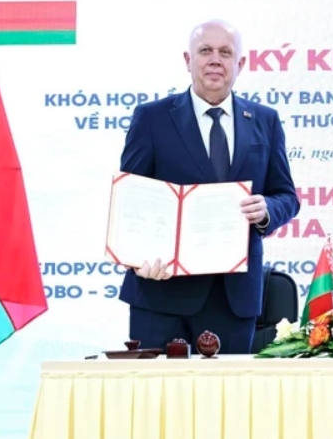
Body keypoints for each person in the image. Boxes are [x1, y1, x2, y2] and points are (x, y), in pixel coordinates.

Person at [117, 19, 300, 354]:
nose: (215, 60)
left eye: (226, 52)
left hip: (233, 298)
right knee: (158, 402)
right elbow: (131, 200)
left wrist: (267, 211)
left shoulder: (265, 120)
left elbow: (287, 196)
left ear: (240, 64)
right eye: (205, 51)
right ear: (188, 61)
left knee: (225, 402)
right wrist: (135, 256)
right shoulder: (151, 118)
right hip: (160, 291)